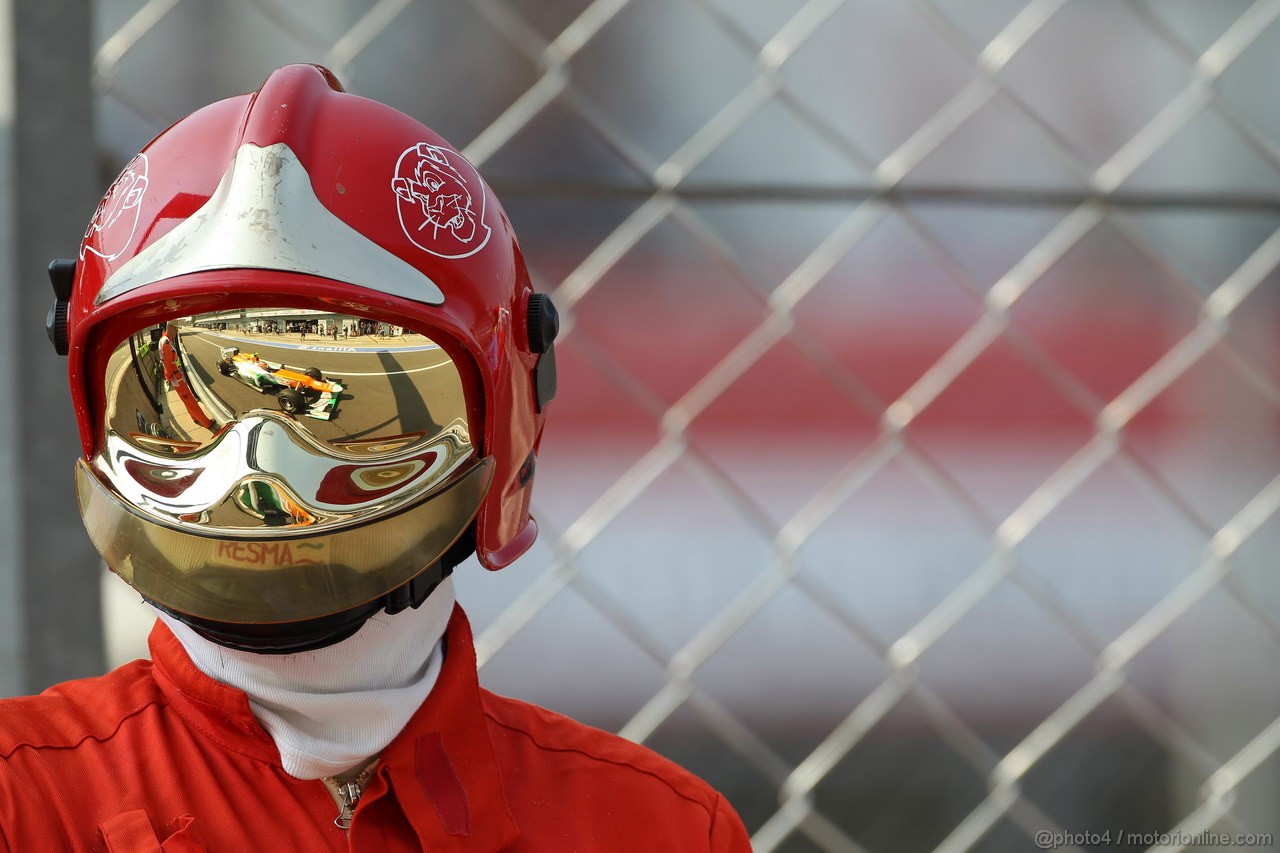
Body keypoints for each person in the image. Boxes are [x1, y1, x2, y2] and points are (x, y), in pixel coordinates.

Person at [2, 65, 751, 851]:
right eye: (189, 401)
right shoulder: (24, 802)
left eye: (344, 409)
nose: (261, 470)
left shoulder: (654, 828)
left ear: (499, 404)